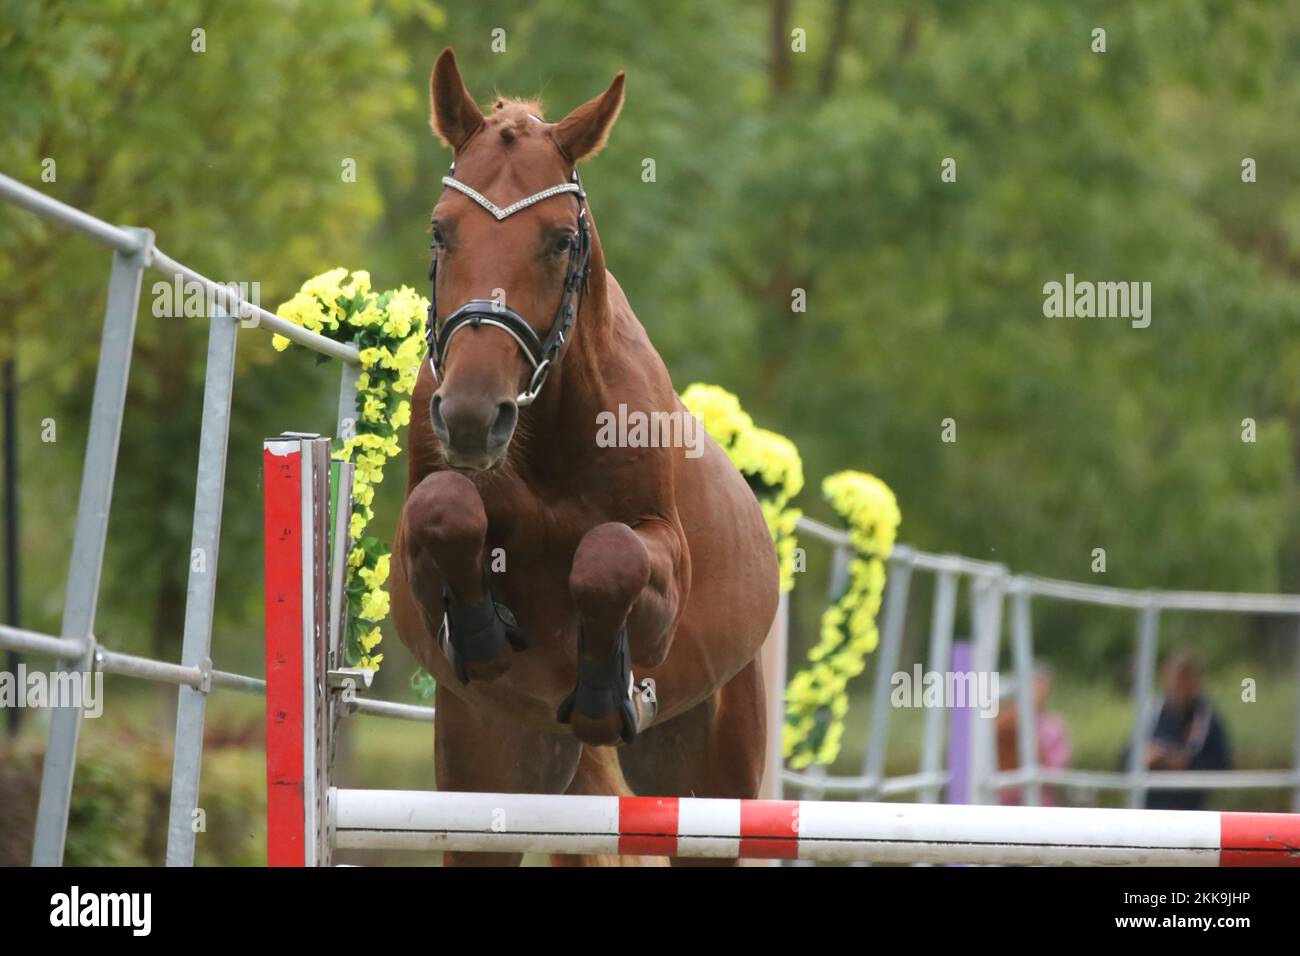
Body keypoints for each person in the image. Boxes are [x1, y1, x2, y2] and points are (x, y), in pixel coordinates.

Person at [1124, 650, 1231, 810]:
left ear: (1196, 680)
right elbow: (1125, 756)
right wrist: (1144, 756)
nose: (1179, 686)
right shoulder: (1153, 713)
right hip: (1150, 808)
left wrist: (1184, 763)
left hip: (1190, 809)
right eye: (1175, 678)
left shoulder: (1208, 719)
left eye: (1185, 678)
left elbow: (1222, 764)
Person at [996, 663, 1072, 805]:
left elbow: (1057, 771)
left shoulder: (1054, 727)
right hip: (1005, 800)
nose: (1037, 692)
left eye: (1041, 686)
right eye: (1034, 685)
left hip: (1039, 801)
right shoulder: (1006, 720)